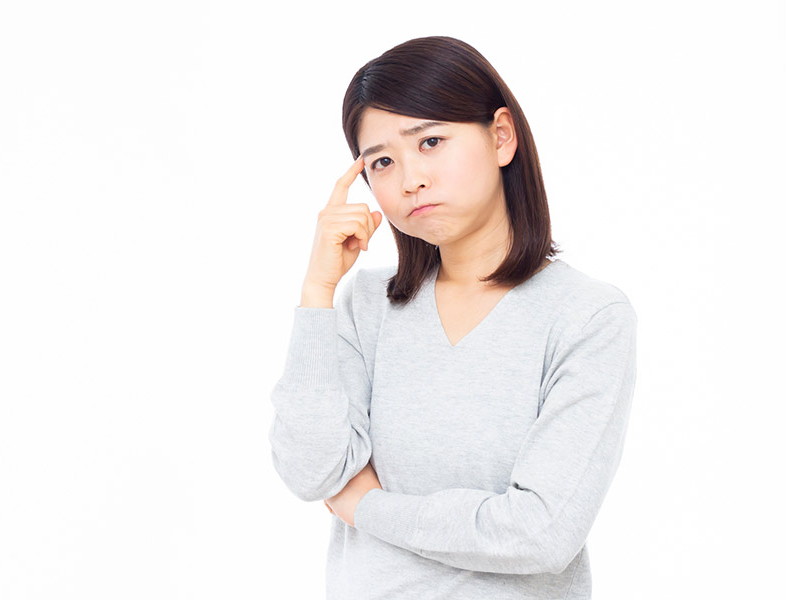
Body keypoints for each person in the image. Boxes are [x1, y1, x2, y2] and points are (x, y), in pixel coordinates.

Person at [268, 36, 638, 599]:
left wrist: (366, 506)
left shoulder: (587, 317)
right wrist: (317, 290)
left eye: (431, 141)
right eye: (383, 161)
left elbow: (539, 534)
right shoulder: (367, 305)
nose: (410, 179)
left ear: (501, 136)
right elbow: (310, 472)